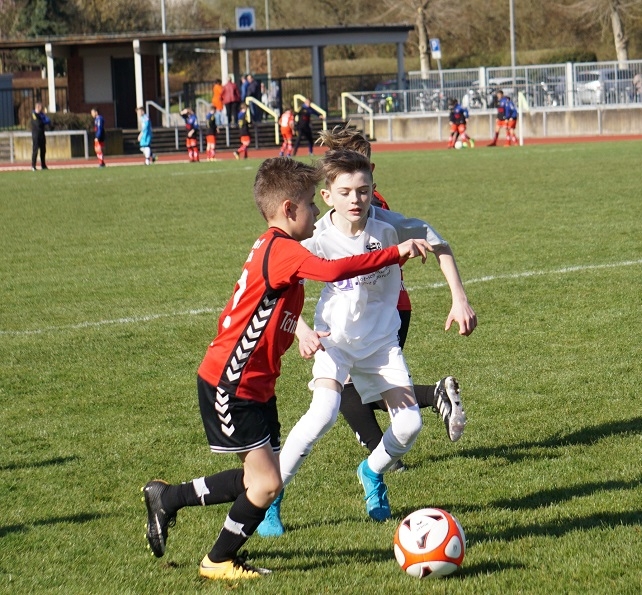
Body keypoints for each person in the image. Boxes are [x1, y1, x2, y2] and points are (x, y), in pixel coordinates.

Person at [142, 156, 431, 580]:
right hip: (232, 381)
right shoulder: (282, 250)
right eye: (311, 203)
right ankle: (217, 560)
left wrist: (299, 330)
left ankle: (167, 498)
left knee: (261, 478)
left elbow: (273, 308)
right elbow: (335, 269)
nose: (316, 211)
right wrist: (395, 252)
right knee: (266, 484)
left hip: (256, 383)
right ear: (289, 209)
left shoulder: (276, 247)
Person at [258, 128, 476, 537]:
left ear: (374, 186)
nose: (355, 200)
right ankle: (271, 497)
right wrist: (302, 330)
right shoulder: (315, 236)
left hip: (381, 344)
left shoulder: (390, 226)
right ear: (327, 196)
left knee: (409, 426)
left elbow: (441, 245)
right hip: (335, 342)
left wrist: (458, 298)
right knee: (322, 415)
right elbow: (277, 288)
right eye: (345, 192)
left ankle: (371, 471)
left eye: (363, 190)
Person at [30, 103, 50, 171]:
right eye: (40, 107)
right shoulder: (33, 114)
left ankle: (43, 165)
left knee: (43, 150)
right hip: (36, 135)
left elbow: (48, 120)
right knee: (35, 150)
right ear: (37, 107)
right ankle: (33, 166)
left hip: (42, 134)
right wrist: (43, 121)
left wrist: (43, 120)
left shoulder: (41, 114)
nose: (41, 109)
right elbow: (38, 123)